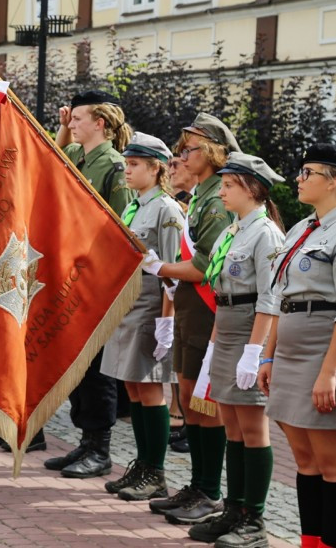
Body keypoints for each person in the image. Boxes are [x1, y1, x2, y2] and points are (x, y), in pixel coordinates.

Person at [258, 144, 336, 548]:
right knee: (306, 462)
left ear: (335, 181)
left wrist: (329, 373)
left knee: (334, 465)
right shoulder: (304, 227)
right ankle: (311, 544)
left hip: (328, 352)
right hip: (291, 350)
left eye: (308, 172)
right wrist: (269, 354)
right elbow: (282, 296)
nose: (299, 179)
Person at [141, 113, 241, 525]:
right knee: (189, 395)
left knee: (203, 400)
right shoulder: (203, 195)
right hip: (188, 306)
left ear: (213, 152)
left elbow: (203, 268)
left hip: (205, 306)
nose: (181, 156)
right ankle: (200, 485)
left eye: (189, 149)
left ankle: (209, 491)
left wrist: (159, 268)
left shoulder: (218, 198)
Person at [185, 153, 285, 546]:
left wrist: (255, 351)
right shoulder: (233, 230)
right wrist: (213, 348)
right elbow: (221, 291)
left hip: (249, 327)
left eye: (228, 186)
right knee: (232, 425)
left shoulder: (266, 234)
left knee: (252, 426)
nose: (221, 191)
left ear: (252, 188)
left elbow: (269, 298)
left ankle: (253, 519)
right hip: (225, 327)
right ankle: (234, 507)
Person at [42, 90, 135, 477]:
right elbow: (47, 163)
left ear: (100, 123)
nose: (72, 122)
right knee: (78, 367)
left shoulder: (114, 165)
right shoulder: (79, 157)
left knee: (97, 369)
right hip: (73, 275)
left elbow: (123, 228)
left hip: (97, 279)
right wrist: (63, 129)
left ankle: (100, 449)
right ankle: (84, 443)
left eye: (78, 118)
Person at [100, 132, 183, 501]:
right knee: (132, 386)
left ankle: (156, 471)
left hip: (150, 303)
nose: (127, 171)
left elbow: (172, 270)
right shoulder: (134, 206)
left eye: (134, 165)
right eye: (127, 164)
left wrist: (167, 320)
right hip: (127, 302)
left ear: (155, 168)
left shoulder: (166, 209)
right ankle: (143, 464)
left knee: (150, 389)